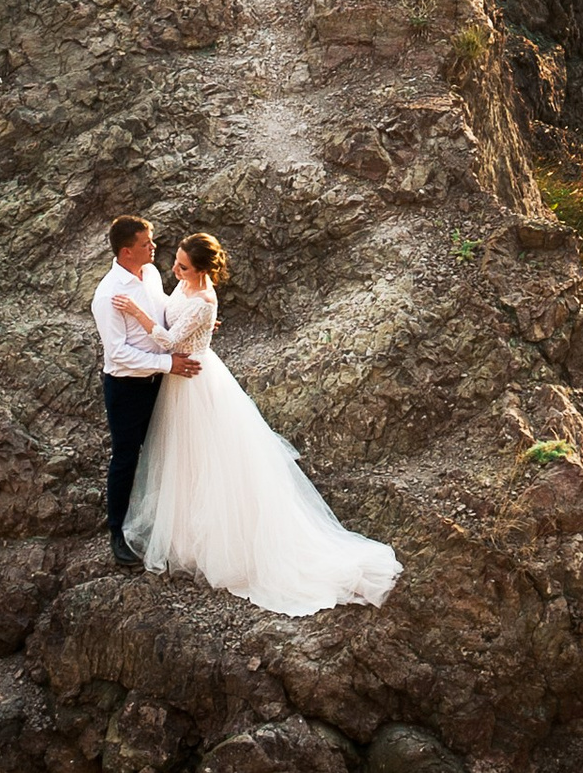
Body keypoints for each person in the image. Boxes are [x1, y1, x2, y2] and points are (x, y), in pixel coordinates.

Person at [116, 230, 400, 616]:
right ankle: (186, 537)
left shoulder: (204, 300)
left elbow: (167, 340)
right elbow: (176, 314)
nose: (174, 268)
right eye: (176, 262)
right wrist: (193, 325)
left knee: (210, 458)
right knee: (184, 460)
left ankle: (224, 542)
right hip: (179, 383)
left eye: (182, 265)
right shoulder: (186, 289)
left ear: (201, 269)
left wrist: (137, 314)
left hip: (197, 384)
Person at [92, 214, 200, 570]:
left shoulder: (151, 274)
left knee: (163, 449)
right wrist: (169, 365)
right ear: (126, 251)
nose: (154, 247)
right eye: (146, 243)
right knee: (126, 457)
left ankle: (161, 522)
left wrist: (195, 321)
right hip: (126, 387)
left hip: (159, 382)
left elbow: (164, 315)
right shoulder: (108, 294)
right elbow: (118, 354)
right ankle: (117, 533)